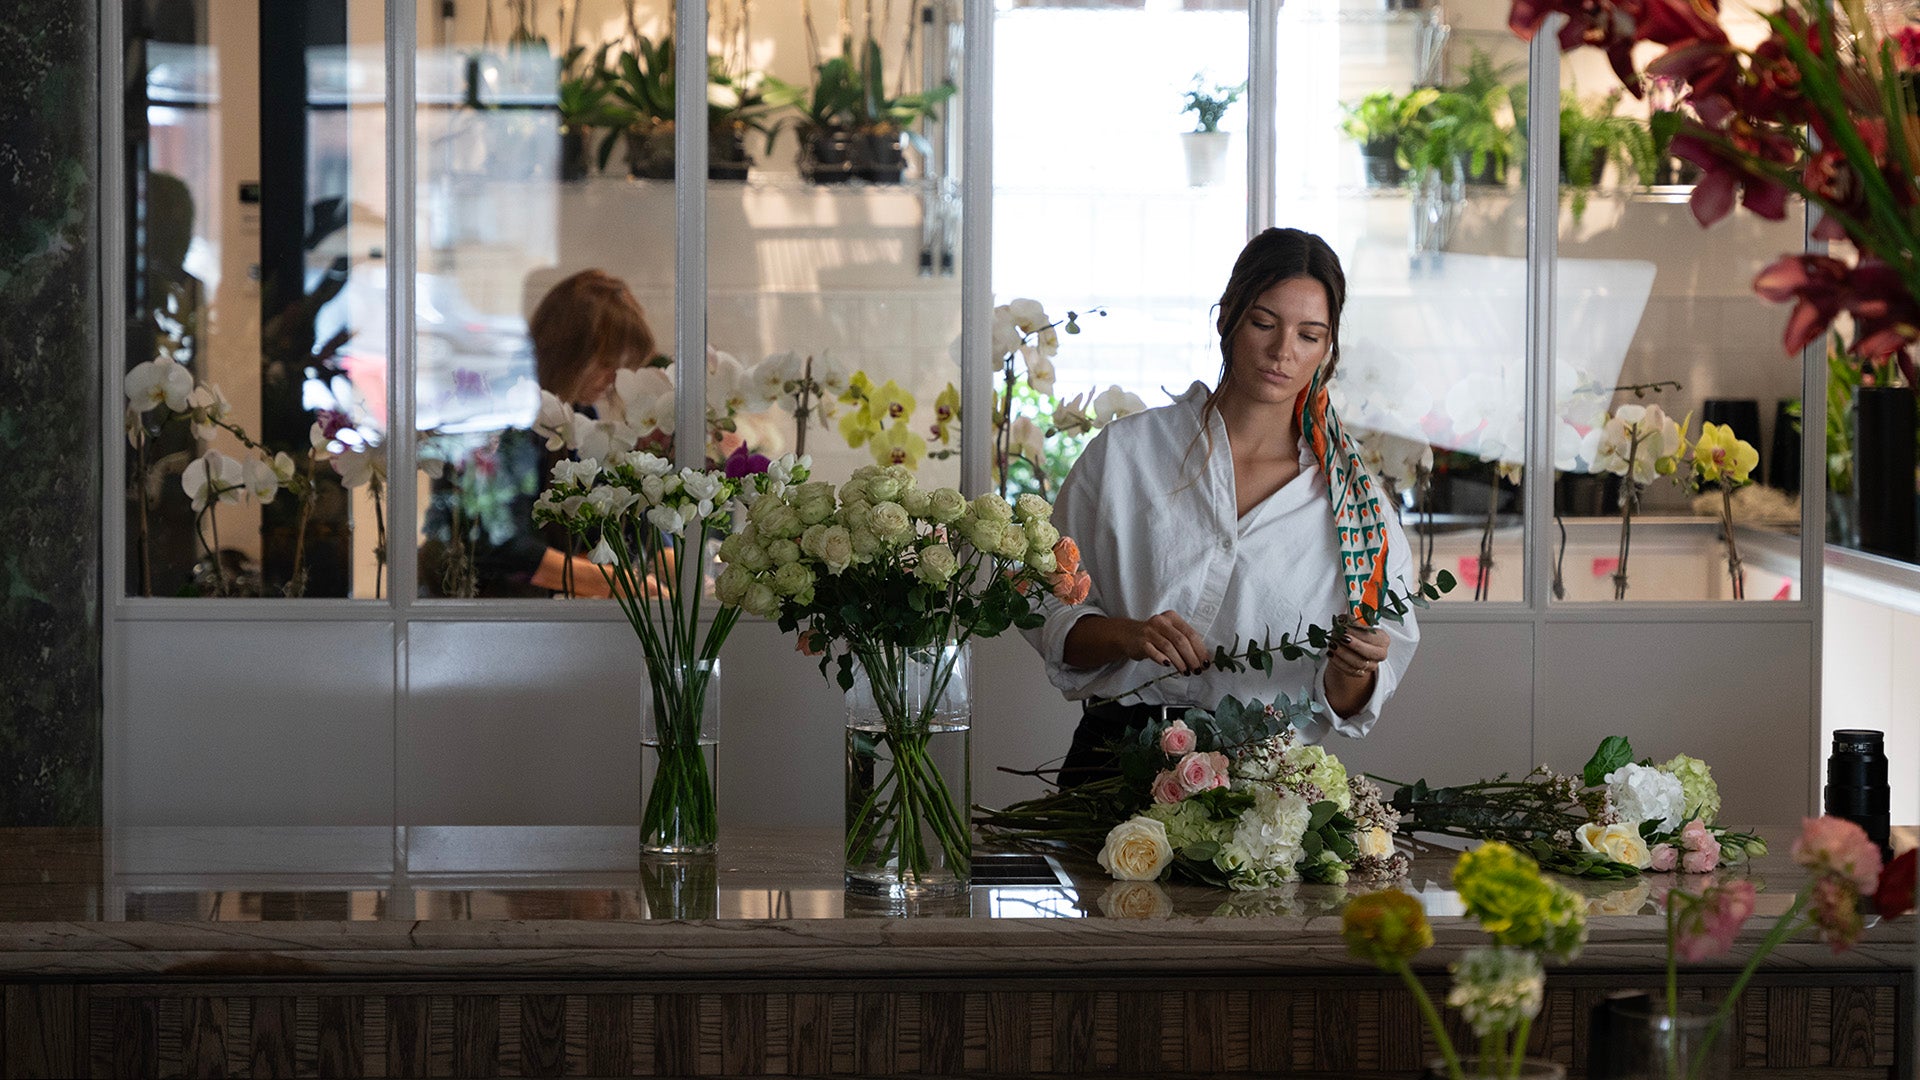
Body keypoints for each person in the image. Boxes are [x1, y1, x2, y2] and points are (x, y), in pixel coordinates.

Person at [1023, 227, 1420, 788]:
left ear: (1327, 349)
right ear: (1226, 318)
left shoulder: (1354, 509)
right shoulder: (1128, 456)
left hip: (1259, 793)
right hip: (1112, 772)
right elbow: (1043, 601)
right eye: (1263, 323)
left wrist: (1352, 667)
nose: (1283, 351)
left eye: (1309, 335)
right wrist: (1127, 634)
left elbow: (1347, 705)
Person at [421, 268, 657, 598]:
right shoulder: (505, 414)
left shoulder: (579, 415)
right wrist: (611, 583)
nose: (613, 381)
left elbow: (605, 519)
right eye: (606, 364)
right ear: (571, 352)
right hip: (476, 611)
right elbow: (504, 545)